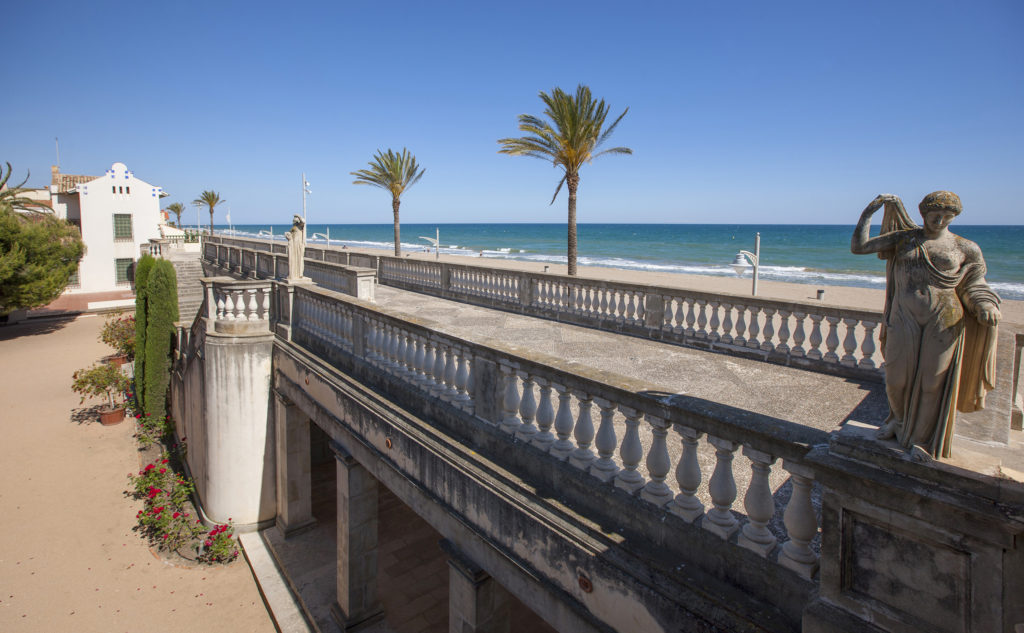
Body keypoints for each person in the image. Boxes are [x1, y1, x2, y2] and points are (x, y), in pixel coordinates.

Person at [851, 191, 1000, 458]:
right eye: (935, 215)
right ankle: (897, 421)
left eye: (947, 217)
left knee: (933, 383)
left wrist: (985, 305)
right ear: (923, 214)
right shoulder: (905, 238)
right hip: (903, 317)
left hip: (944, 319)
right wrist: (868, 213)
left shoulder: (965, 248)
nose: (940, 220)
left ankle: (922, 438)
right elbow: (859, 247)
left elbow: (975, 284)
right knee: (896, 379)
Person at [285, 214, 306, 280]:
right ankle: (293, 274)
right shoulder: (294, 227)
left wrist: (299, 216)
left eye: (295, 219)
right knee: (293, 259)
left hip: (298, 244)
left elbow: (303, 221)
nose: (293, 220)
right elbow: (291, 234)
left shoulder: (300, 225)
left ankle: (298, 274)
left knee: (299, 259)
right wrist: (288, 235)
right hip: (293, 244)